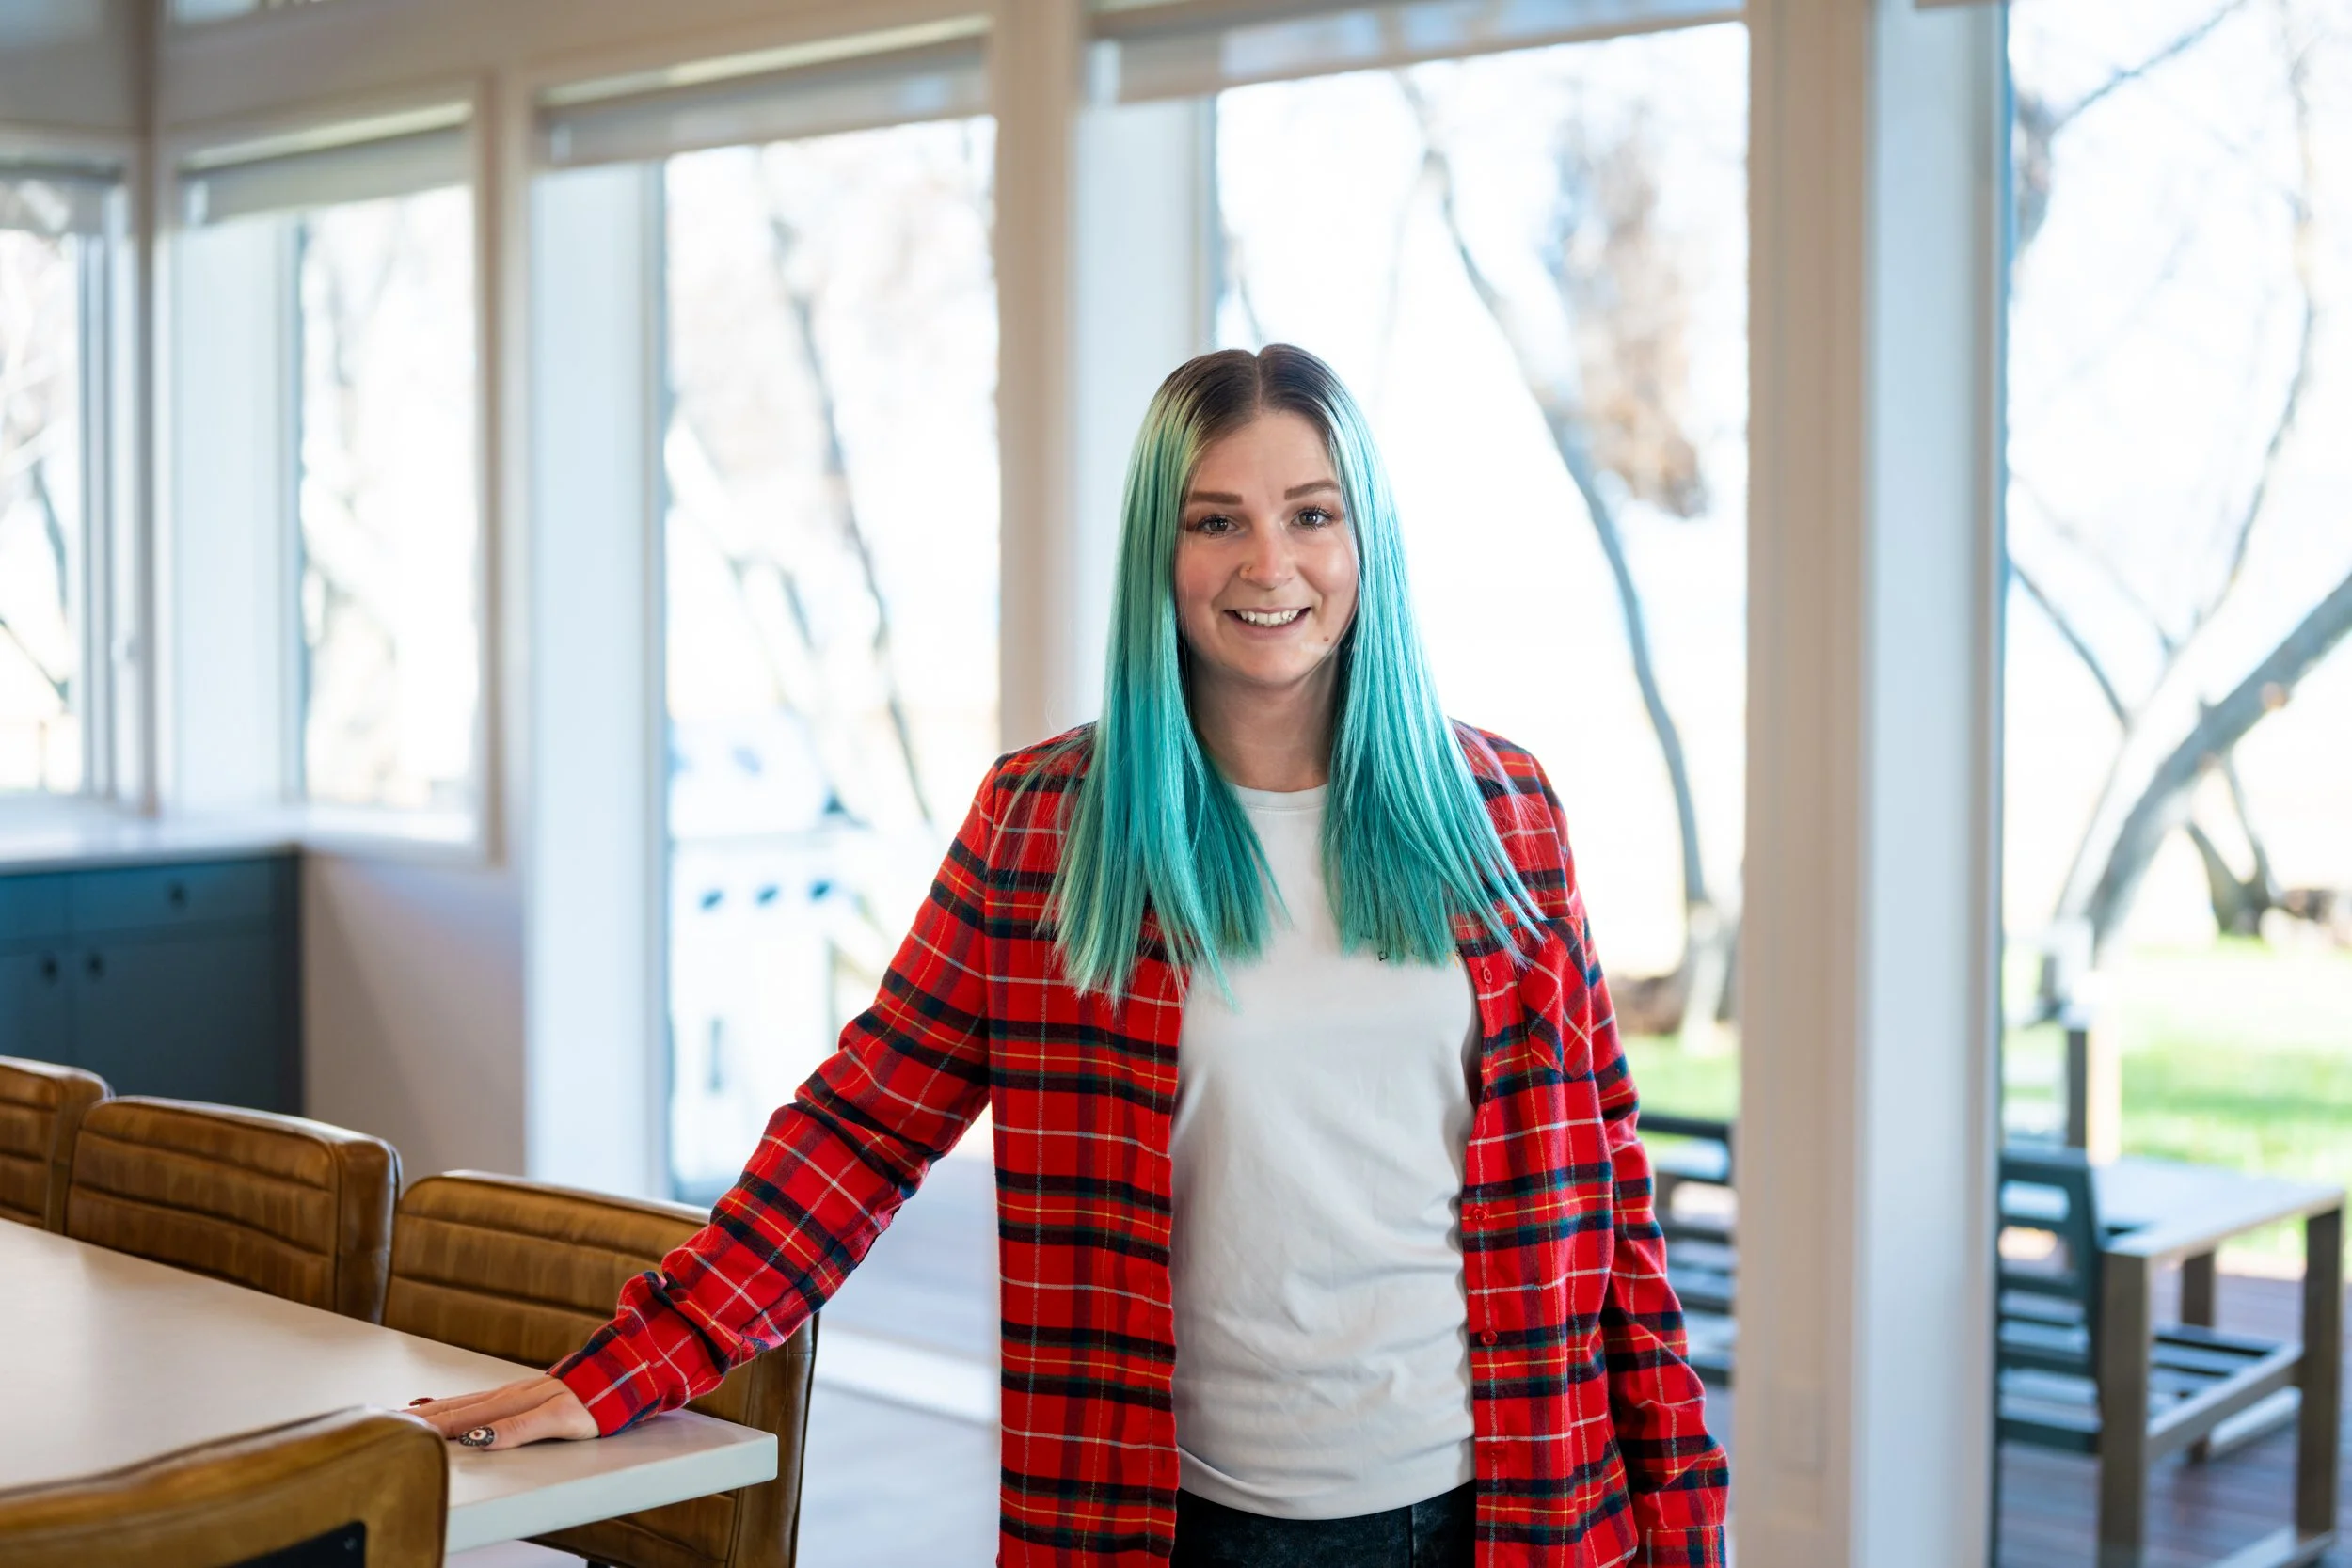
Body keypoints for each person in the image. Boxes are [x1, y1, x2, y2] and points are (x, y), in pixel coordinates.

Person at [413, 346, 1729, 1567]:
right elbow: (862, 1128)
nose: (1269, 559)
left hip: (1501, 1507)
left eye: (1312, 513)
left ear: (1366, 538)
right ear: (1160, 551)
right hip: (1164, 1520)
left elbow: (1604, 1195)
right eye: (1216, 519)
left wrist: (1685, 1521)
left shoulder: (1503, 811)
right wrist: (627, 1365)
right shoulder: (1046, 827)